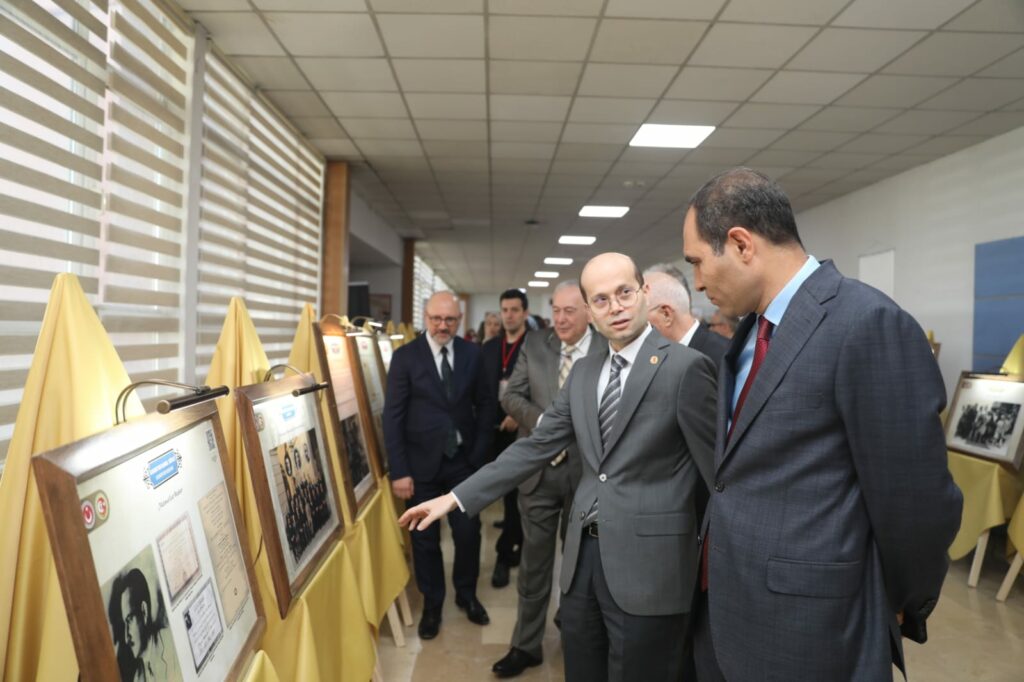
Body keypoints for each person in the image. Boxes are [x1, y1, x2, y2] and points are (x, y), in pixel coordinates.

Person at [681, 167, 962, 681]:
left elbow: (915, 501)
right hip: (726, 614)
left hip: (814, 632)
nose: (697, 282)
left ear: (741, 244)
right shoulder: (747, 334)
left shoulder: (866, 323)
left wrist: (895, 601)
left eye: (697, 262)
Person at [400, 253, 717, 682]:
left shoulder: (686, 368)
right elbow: (535, 446)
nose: (616, 307)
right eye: (601, 300)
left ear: (643, 292)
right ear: (590, 310)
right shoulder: (585, 373)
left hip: (650, 568)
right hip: (583, 562)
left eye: (624, 292)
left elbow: (715, 476)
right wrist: (455, 498)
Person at [491, 280, 601, 677]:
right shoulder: (536, 344)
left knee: (579, 569)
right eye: (556, 310)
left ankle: (577, 637)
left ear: (589, 311)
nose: (561, 318)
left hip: (586, 477)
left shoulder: (607, 348)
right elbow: (511, 396)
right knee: (534, 568)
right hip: (537, 474)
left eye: (570, 310)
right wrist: (545, 424)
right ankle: (526, 645)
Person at [383, 291, 496, 639]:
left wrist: (478, 458)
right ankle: (433, 604)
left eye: (449, 320)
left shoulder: (473, 355)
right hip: (419, 467)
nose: (442, 326)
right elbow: (393, 417)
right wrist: (400, 470)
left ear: (459, 320)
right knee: (425, 540)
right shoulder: (405, 358)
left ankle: (466, 594)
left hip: (463, 463)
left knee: (468, 533)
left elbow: (487, 406)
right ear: (425, 317)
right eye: (436, 319)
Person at [481, 288, 530, 588]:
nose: (509, 315)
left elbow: (540, 389)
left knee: (517, 497)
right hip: (492, 430)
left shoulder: (535, 347)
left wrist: (519, 413)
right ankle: (513, 546)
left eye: (514, 309)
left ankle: (506, 553)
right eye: (505, 310)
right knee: (502, 494)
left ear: (524, 312)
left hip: (522, 431)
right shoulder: (489, 348)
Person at [108, 568, 181, 682]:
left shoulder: (172, 643)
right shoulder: (137, 678)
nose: (127, 638)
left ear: (144, 611)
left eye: (130, 619)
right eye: (124, 624)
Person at [643, 265, 729, 362]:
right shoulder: (656, 359)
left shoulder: (724, 357)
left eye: (641, 315)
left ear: (666, 314)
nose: (636, 325)